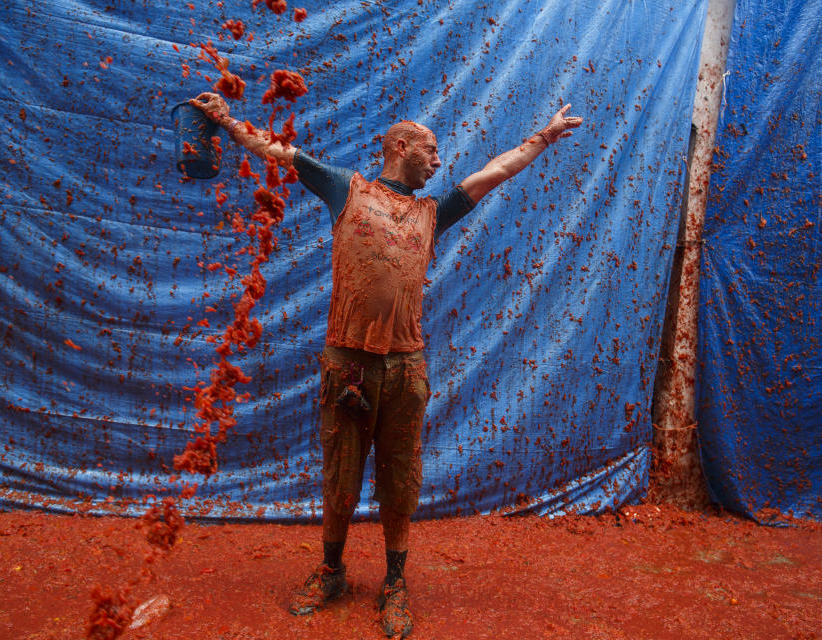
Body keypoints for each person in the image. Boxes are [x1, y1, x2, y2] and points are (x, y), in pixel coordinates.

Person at [191, 91, 582, 638]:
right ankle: (331, 571)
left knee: (401, 481)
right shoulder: (344, 190)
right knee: (340, 478)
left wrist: (543, 135)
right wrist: (224, 120)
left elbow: (495, 171)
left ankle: (395, 584)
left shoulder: (433, 213)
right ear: (402, 147)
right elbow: (277, 150)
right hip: (346, 365)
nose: (439, 160)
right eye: (431, 149)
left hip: (405, 370)